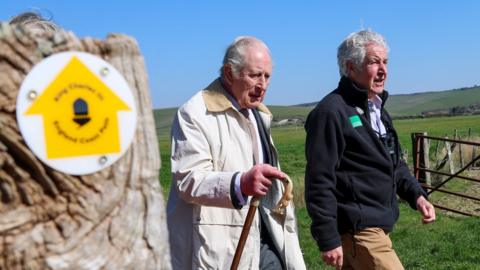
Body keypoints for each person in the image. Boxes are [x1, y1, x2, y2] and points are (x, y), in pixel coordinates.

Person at [167, 36, 306, 269]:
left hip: (263, 236)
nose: (263, 85)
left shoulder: (259, 114)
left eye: (267, 76)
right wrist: (240, 183)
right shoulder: (195, 113)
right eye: (254, 75)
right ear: (229, 73)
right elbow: (188, 180)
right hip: (219, 243)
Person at [304, 30, 436, 270]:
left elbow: (394, 164)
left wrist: (417, 195)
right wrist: (327, 236)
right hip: (359, 228)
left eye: (385, 62)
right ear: (351, 67)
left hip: (378, 224)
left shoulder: (377, 110)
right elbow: (319, 179)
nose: (383, 69)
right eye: (374, 62)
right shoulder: (331, 112)